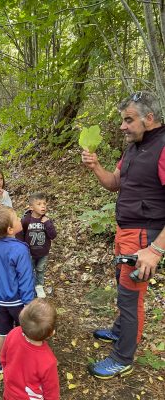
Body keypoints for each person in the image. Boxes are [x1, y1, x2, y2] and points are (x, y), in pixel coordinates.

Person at [82, 90, 165, 379]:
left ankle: (123, 357)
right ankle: (120, 332)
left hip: (145, 237)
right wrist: (95, 166)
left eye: (128, 120)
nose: (122, 126)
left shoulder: (163, 147)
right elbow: (114, 182)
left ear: (149, 118)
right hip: (125, 231)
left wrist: (155, 250)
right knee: (122, 287)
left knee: (131, 298)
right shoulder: (133, 146)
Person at [0, 206, 34, 374]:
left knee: (1, 332)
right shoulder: (20, 249)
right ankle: (25, 360)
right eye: (17, 219)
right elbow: (25, 278)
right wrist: (29, 303)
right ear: (10, 229)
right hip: (18, 301)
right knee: (25, 331)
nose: (20, 220)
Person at [0, 298, 60, 400]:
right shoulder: (48, 361)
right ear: (51, 333)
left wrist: (7, 374)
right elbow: (51, 392)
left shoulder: (13, 333)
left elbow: (3, 357)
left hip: (10, 393)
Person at [17, 192, 57, 298]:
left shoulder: (47, 220)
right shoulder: (26, 220)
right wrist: (22, 248)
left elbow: (53, 235)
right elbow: (20, 234)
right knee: (29, 270)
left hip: (43, 252)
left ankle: (39, 286)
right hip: (29, 252)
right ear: (31, 207)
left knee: (40, 270)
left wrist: (47, 224)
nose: (43, 206)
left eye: (44, 203)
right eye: (39, 204)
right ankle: (29, 287)